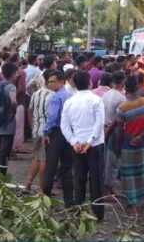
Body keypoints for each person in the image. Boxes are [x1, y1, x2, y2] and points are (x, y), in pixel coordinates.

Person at [60, 71, 105, 221]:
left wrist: (74, 142)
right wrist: (90, 141)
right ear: (90, 83)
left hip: (78, 146)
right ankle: (98, 213)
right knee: (96, 180)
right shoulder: (96, 100)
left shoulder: (69, 102)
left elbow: (64, 126)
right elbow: (99, 123)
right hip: (95, 145)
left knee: (79, 179)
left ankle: (78, 210)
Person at [115, 75, 144, 209]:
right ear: (138, 87)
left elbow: (119, 131)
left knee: (129, 174)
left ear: (125, 88)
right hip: (142, 142)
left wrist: (118, 146)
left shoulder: (122, 108)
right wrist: (141, 135)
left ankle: (130, 201)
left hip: (128, 143)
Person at [42, 70, 74, 208]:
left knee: (50, 168)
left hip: (56, 133)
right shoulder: (69, 95)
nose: (50, 84)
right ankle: (68, 201)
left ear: (62, 81)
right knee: (67, 169)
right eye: (49, 82)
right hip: (68, 134)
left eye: (53, 81)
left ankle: (45, 201)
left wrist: (45, 132)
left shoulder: (56, 97)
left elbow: (52, 117)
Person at [26, 71, 54, 191]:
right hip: (46, 132)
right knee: (44, 160)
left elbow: (30, 111)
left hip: (36, 129)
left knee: (37, 158)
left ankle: (28, 184)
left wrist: (32, 125)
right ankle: (42, 189)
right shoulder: (53, 95)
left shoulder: (36, 94)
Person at [0, 62, 19, 174]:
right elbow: (14, 102)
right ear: (12, 74)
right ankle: (2, 175)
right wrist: (13, 113)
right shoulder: (11, 87)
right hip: (7, 124)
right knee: (4, 152)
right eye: (16, 73)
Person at [102, 71, 126, 195]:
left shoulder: (106, 94)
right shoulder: (121, 98)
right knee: (113, 161)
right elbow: (119, 119)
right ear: (122, 82)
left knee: (106, 159)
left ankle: (107, 186)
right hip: (114, 130)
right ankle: (108, 188)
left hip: (104, 127)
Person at [9, 55, 27, 154]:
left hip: (6, 104)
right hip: (18, 102)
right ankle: (14, 149)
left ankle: (10, 149)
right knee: (18, 127)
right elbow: (21, 88)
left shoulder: (4, 71)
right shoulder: (21, 73)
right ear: (17, 60)